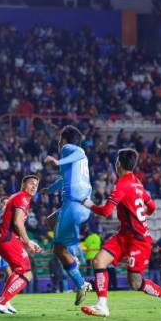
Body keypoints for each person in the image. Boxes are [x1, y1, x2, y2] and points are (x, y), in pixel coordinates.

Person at [80, 148, 161, 319]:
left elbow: (106, 211)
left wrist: (88, 204)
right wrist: (140, 216)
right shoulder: (137, 183)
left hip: (139, 240)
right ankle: (102, 305)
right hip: (124, 235)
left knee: (135, 282)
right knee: (99, 260)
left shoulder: (122, 185)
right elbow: (152, 207)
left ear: (118, 164)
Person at [43, 126, 92, 305]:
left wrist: (57, 161)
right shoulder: (75, 163)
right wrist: (50, 189)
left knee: (58, 249)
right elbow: (64, 179)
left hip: (73, 204)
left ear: (64, 139)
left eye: (59, 138)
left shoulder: (69, 150)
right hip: (82, 205)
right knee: (51, 220)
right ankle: (74, 255)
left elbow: (79, 153)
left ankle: (80, 281)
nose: (58, 142)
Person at [0, 175, 42, 315]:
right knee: (26, 272)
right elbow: (18, 223)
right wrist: (28, 242)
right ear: (23, 184)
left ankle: (4, 300)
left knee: (18, 270)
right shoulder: (22, 198)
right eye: (31, 183)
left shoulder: (17, 197)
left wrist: (25, 243)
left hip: (2, 238)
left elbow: (14, 224)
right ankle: (0, 301)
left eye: (36, 185)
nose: (34, 186)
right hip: (6, 239)